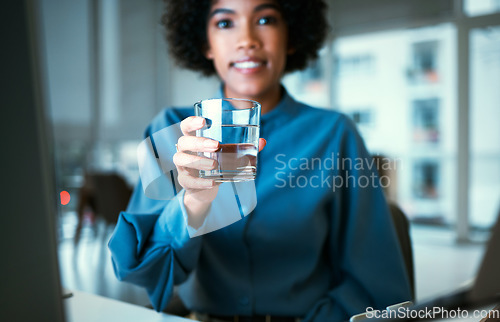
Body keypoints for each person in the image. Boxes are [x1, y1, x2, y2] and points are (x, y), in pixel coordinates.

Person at [108, 0, 412, 321]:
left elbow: (376, 288)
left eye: (266, 19)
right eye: (225, 23)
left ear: (291, 37)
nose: (247, 39)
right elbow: (140, 270)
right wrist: (191, 206)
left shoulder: (336, 135)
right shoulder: (170, 131)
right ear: (204, 44)